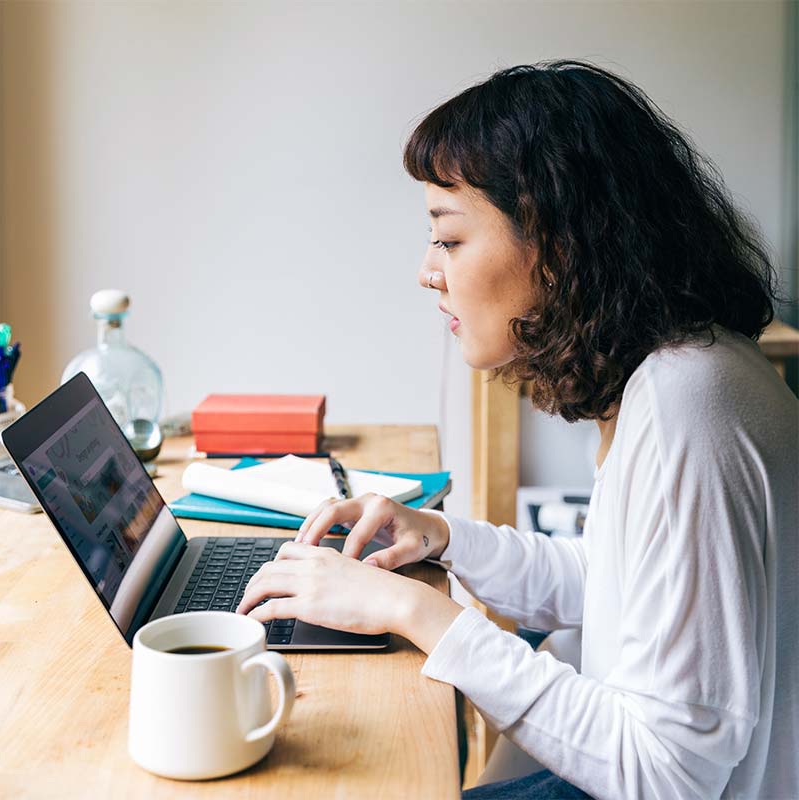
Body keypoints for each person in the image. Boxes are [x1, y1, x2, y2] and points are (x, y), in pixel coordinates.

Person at [237, 61, 798, 799]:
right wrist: (443, 539)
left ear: (559, 243)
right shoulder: (692, 366)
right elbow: (615, 587)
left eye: (451, 239)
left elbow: (669, 775)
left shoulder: (687, 404)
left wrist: (412, 610)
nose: (428, 272)